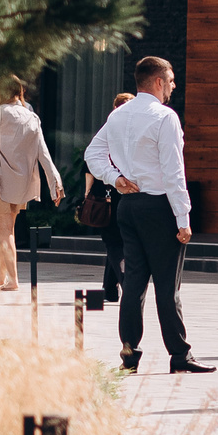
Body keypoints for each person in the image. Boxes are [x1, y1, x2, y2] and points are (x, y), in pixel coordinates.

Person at [84, 57, 214, 374]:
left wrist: (114, 178)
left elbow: (92, 153)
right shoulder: (164, 117)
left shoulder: (118, 115)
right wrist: (183, 218)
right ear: (157, 81)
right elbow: (174, 172)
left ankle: (129, 355)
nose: (173, 86)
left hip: (128, 205)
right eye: (170, 80)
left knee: (134, 285)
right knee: (168, 286)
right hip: (159, 206)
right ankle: (180, 355)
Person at [0, 76, 66, 291]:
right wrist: (55, 182)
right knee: (8, 229)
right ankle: (1, 274)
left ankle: (13, 279)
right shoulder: (31, 116)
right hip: (21, 183)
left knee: (5, 232)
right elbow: (44, 153)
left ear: (1, 92)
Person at [88, 92, 134, 304]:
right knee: (113, 240)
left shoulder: (128, 131)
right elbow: (89, 162)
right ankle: (118, 286)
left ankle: (111, 288)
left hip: (121, 191)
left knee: (113, 241)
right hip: (108, 191)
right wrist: (87, 193)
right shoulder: (111, 129)